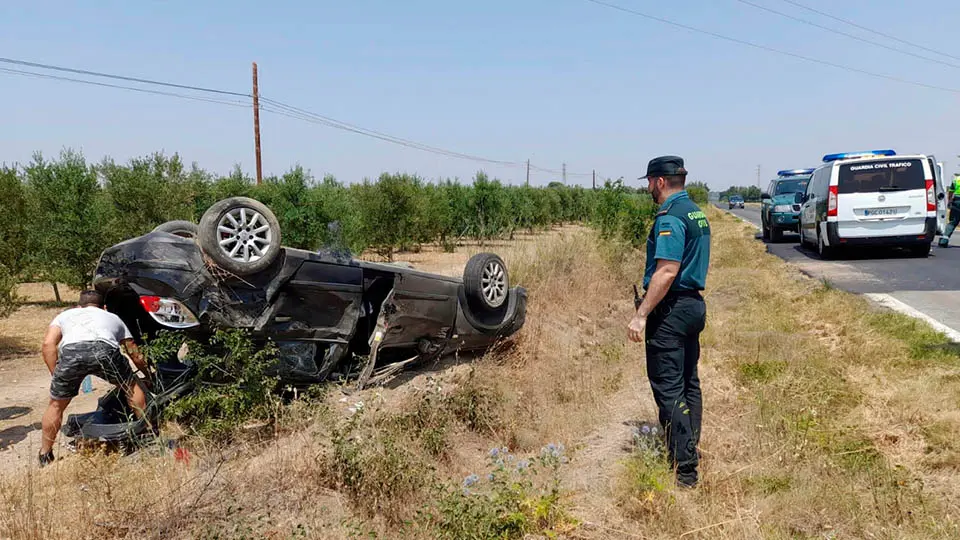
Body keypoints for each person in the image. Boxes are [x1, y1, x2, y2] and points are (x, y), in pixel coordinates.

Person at [627, 155, 711, 488]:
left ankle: (685, 470)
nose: (648, 187)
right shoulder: (696, 212)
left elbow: (666, 270)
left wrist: (641, 315)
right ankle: (690, 447)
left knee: (669, 389)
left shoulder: (671, 217)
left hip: (672, 311)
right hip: (693, 307)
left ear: (660, 181)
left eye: (649, 181)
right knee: (689, 382)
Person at [39, 290, 150, 466]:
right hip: (104, 350)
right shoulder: (112, 317)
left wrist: (57, 375)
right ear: (103, 307)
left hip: (71, 353)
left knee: (56, 405)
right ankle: (148, 434)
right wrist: (147, 373)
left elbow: (48, 344)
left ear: (78, 306)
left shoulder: (64, 315)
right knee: (131, 388)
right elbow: (133, 351)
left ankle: (45, 454)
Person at [938, 174, 960, 247]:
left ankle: (943, 241)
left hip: (957, 201)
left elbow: (951, 192)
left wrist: (949, 201)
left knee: (952, 222)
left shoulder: (956, 179)